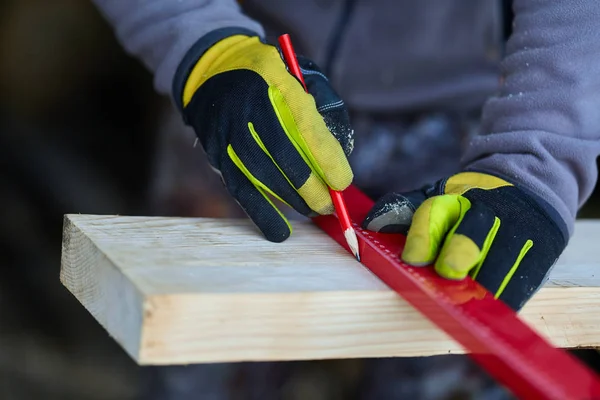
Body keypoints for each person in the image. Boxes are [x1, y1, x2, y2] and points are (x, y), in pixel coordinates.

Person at [89, 0, 600, 312]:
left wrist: (539, 153)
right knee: (193, 346)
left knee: (447, 346)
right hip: (249, 99)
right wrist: (203, 48)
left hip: (462, 125)